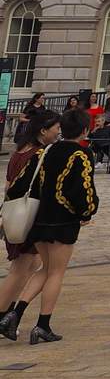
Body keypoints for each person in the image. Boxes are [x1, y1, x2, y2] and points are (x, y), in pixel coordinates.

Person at [0, 108, 97, 343]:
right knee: (56, 273)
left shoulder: (45, 151)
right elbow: (82, 189)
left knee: (44, 269)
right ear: (85, 130)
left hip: (40, 220)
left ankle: (14, 313)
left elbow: (18, 185)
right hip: (62, 221)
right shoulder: (80, 154)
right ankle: (43, 324)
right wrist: (88, 211)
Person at [0, 113, 51, 341]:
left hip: (14, 214)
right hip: (28, 218)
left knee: (30, 268)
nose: (58, 132)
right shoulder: (38, 155)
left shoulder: (18, 153)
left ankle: (8, 316)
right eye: (55, 128)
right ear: (43, 130)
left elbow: (8, 186)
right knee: (20, 271)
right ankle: (1, 318)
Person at [90, 97, 110, 175]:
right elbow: (90, 137)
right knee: (97, 149)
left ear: (103, 121)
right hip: (96, 145)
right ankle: (98, 161)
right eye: (97, 121)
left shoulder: (108, 128)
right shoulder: (94, 129)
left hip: (106, 145)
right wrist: (94, 129)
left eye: (99, 121)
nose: (98, 123)